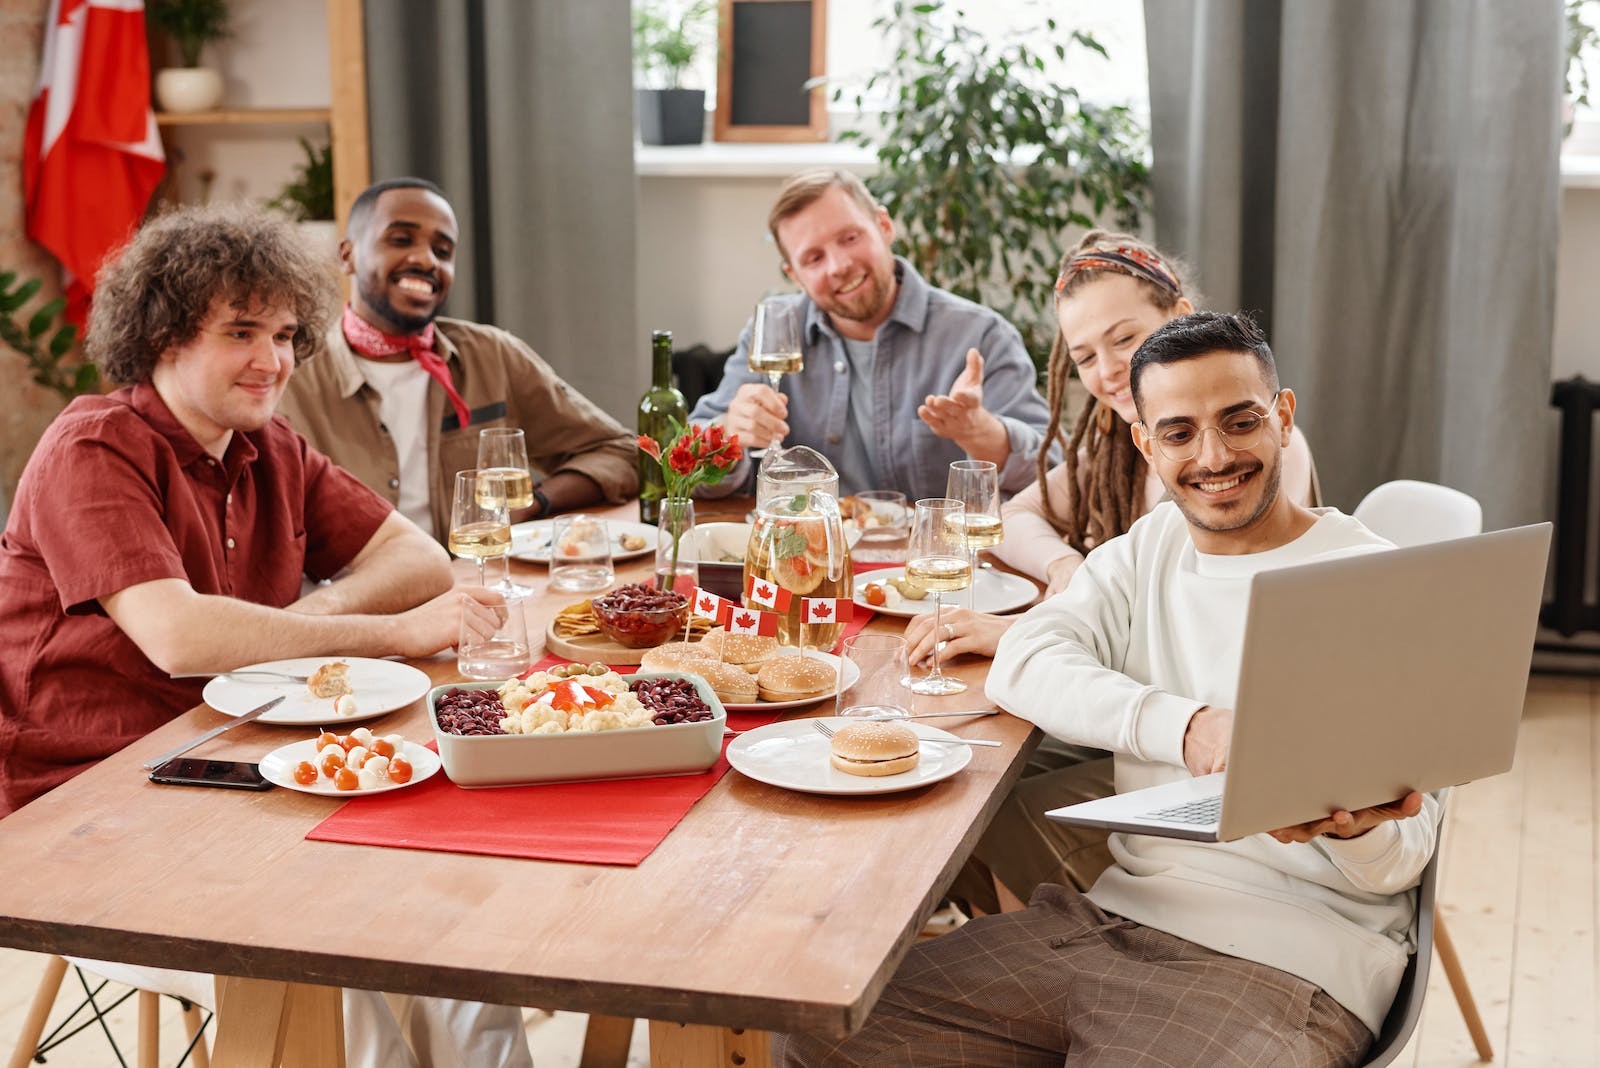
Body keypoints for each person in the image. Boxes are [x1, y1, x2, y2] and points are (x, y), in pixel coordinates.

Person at [777, 312, 1436, 1068]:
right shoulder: (1151, 548)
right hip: (1109, 919)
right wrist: (1186, 728)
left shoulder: (1377, 581)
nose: (1214, 455)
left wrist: (1358, 828)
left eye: (1240, 421)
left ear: (1282, 419)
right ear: (1146, 444)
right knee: (819, 1038)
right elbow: (1024, 657)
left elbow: (1406, 858)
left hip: (1290, 963)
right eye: (1180, 432)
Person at [0, 203, 529, 1067]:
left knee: (456, 934)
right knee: (337, 977)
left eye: (286, 334)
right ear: (163, 334)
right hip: (95, 820)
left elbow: (420, 557)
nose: (274, 360)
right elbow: (178, 636)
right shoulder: (93, 446)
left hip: (245, 773)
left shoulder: (267, 445)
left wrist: (308, 624)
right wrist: (386, 636)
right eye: (242, 332)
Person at [904, 231, 1316, 668]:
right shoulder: (1122, 449)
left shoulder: (1260, 450)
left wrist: (1019, 632)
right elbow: (1015, 515)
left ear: (1180, 317)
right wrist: (1063, 564)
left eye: (1123, 340)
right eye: (1084, 358)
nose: (1109, 370)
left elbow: (1199, 624)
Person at [279, 177, 637, 544]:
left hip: (475, 582)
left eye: (443, 250)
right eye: (401, 240)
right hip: (357, 595)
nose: (425, 259)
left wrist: (537, 502)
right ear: (347, 256)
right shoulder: (289, 374)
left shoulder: (493, 356)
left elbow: (621, 452)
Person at [689, 168, 1054, 501]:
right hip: (803, 560)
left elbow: (1054, 471)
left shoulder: (981, 335)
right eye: (814, 259)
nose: (839, 266)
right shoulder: (772, 335)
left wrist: (984, 433)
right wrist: (728, 434)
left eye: (849, 237)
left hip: (933, 563)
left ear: (884, 226)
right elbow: (687, 468)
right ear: (794, 275)